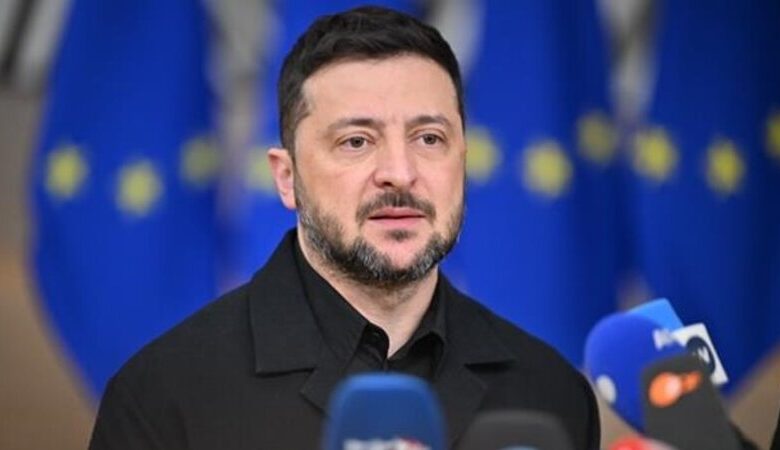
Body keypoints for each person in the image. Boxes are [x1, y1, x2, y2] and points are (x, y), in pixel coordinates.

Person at [89, 6, 600, 449]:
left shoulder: (550, 395)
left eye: (429, 138)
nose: (399, 172)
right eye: (356, 141)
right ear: (286, 178)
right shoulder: (164, 396)